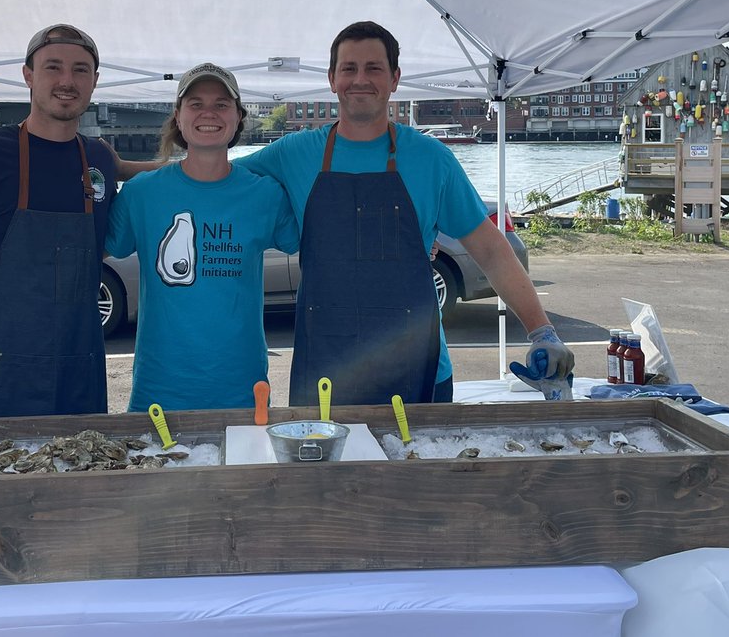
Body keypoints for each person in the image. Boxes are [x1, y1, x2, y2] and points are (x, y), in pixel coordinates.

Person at [239, 21, 573, 406]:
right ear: (332, 79)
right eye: (348, 68)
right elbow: (210, 177)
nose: (360, 79)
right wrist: (153, 179)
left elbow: (493, 251)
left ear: (395, 78)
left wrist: (542, 332)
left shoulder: (432, 160)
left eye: (374, 68)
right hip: (325, 372)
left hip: (420, 369)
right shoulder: (292, 154)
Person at [0, 23, 154, 419]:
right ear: (28, 74)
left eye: (80, 70)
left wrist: (211, 167)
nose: (67, 81)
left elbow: (146, 172)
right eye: (53, 67)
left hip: (81, 375)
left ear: (95, 81)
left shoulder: (98, 158)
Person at [106, 62, 299, 412]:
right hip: (158, 393)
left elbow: (310, 245)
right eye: (196, 103)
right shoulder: (140, 194)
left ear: (239, 117)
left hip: (242, 390)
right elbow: (91, 254)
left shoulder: (266, 195)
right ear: (178, 116)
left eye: (221, 104)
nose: (208, 113)